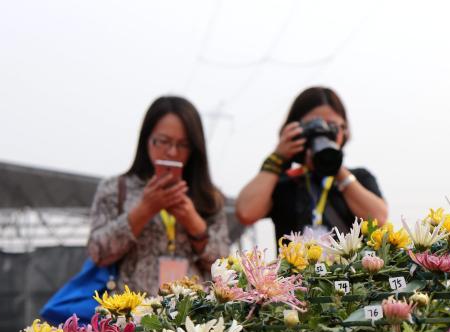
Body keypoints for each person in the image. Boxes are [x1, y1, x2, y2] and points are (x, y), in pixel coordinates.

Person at [87, 96, 230, 292]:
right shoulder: (115, 189)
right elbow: (97, 253)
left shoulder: (209, 197)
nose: (172, 152)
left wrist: (193, 222)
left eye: (183, 144)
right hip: (130, 308)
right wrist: (144, 210)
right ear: (146, 139)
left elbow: (225, 264)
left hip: (193, 309)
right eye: (163, 141)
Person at [235, 87, 387, 243]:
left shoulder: (359, 177)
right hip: (295, 259)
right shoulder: (283, 183)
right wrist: (278, 157)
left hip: (350, 260)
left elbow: (379, 220)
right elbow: (246, 213)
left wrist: (335, 165)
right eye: (313, 126)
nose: (322, 132)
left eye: (332, 126)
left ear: (344, 130)